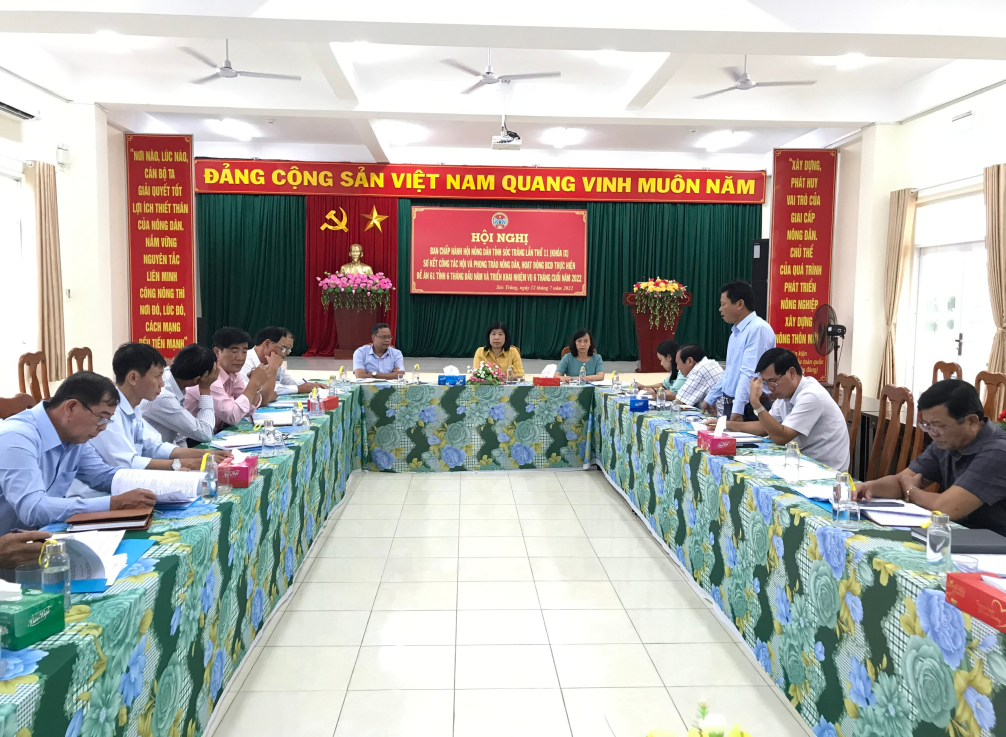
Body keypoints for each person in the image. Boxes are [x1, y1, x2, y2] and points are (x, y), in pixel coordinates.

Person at [0, 372, 156, 535]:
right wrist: (113, 503)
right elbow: (33, 509)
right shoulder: (16, 438)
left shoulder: (72, 436)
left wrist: (163, 482)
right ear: (71, 407)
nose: (103, 427)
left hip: (43, 533)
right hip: (8, 545)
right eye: (101, 418)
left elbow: (101, 476)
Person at [854, 380, 1006, 534]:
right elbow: (902, 479)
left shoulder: (998, 451)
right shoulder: (946, 443)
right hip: (960, 534)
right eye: (927, 425)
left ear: (972, 422)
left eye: (939, 426)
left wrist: (911, 490)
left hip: (995, 541)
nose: (932, 433)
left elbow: (945, 508)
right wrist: (870, 487)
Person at [89, 343, 227, 471]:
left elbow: (155, 446)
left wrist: (206, 453)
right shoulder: (109, 415)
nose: (162, 383)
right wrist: (186, 463)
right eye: (157, 376)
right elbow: (128, 464)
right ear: (133, 378)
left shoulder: (133, 409)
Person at [711, 348, 850, 471]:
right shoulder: (785, 395)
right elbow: (764, 427)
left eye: (773, 381)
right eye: (766, 383)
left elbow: (780, 437)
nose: (770, 388)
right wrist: (724, 425)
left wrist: (755, 403)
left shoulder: (811, 395)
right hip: (801, 463)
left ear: (792, 373)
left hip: (825, 472)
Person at [702, 280, 776, 421]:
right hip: (734, 404)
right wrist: (711, 398)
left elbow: (750, 373)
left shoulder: (757, 329)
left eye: (723, 304)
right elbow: (729, 372)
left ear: (740, 304)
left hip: (749, 407)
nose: (720, 309)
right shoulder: (736, 332)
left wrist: (737, 410)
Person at [185, 327, 270, 431]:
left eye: (244, 351)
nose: (240, 358)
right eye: (234, 351)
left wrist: (257, 387)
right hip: (192, 437)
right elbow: (232, 417)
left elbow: (247, 410)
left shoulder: (233, 373)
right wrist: (254, 382)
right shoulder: (209, 377)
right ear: (217, 352)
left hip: (214, 432)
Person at [142, 343, 219, 446]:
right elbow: (205, 434)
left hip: (169, 450)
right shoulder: (163, 396)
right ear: (198, 379)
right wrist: (205, 388)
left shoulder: (169, 376)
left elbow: (179, 437)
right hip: (152, 454)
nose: (161, 383)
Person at [241, 327, 325, 396]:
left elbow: (288, 381)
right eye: (283, 348)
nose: (286, 353)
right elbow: (259, 390)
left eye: (289, 350)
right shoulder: (244, 361)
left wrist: (311, 384)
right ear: (267, 343)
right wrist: (298, 389)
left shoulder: (273, 359)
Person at [672, 344, 725, 412]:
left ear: (690, 361)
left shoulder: (699, 370)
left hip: (719, 416)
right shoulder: (710, 363)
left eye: (678, 363)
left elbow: (680, 401)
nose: (677, 368)